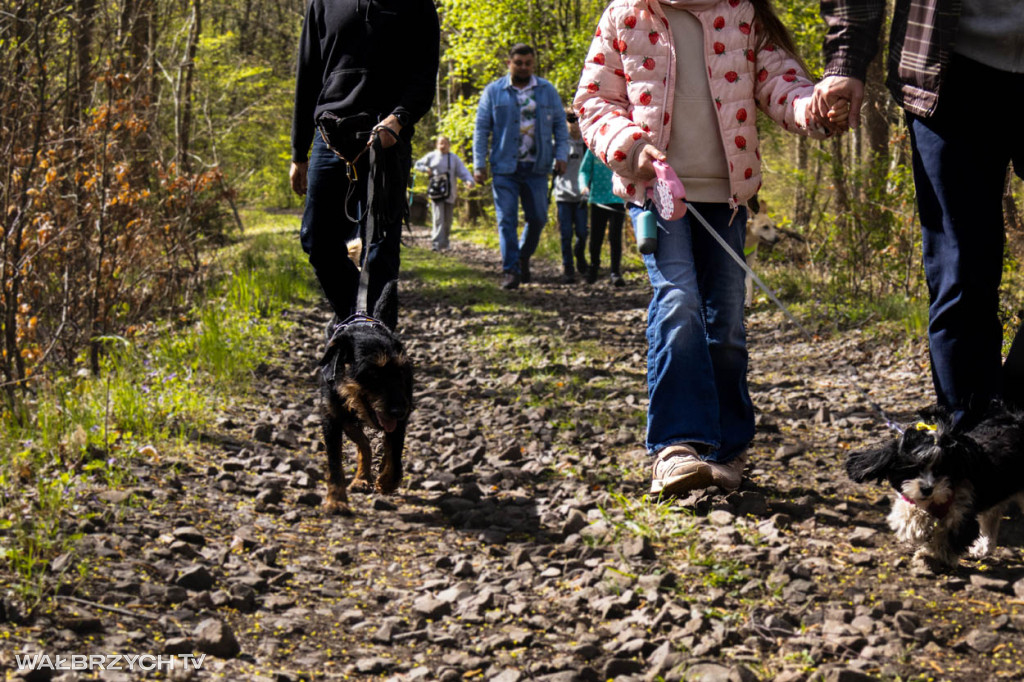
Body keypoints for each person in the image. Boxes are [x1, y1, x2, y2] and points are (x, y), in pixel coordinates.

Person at [575, 0, 832, 495]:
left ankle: (725, 450)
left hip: (728, 196)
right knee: (678, 301)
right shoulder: (627, 13)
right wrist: (629, 145)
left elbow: (781, 83)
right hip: (657, 192)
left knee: (728, 320)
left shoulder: (741, 11)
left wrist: (813, 107)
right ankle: (675, 447)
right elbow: (594, 102)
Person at [812, 1, 1024, 431]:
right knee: (960, 274)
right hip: (948, 72)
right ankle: (974, 454)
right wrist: (846, 59)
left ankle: (1010, 425)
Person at [289, 0, 440, 329]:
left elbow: (424, 76)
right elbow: (308, 74)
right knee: (316, 240)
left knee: (381, 251)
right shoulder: (323, 4)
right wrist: (298, 152)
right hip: (330, 138)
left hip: (387, 140)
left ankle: (377, 346)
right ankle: (356, 324)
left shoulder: (417, 5)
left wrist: (398, 120)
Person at [473, 44, 569, 290]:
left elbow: (560, 124)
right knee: (507, 219)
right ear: (510, 63)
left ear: (533, 64)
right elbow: (482, 130)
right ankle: (511, 270)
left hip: (538, 167)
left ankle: (523, 255)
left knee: (537, 218)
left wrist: (562, 155)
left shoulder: (547, 91)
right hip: (504, 167)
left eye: (528, 63)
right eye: (519, 63)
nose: (524, 67)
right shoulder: (494, 91)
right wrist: (478, 164)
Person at [414, 136, 475, 252]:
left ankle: (445, 243)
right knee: (438, 218)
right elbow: (418, 164)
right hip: (436, 193)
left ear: (449, 145)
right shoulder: (431, 156)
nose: (443, 146)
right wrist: (426, 169)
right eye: (440, 143)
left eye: (445, 143)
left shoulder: (454, 158)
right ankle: (436, 244)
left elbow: (462, 171)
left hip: (450, 193)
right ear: (437, 145)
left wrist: (469, 180)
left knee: (448, 220)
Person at [579, 147, 627, 287]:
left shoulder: (622, 146)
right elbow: (584, 170)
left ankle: (615, 272)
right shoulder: (593, 149)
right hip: (597, 200)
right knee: (596, 236)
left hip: (617, 199)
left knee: (615, 236)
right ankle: (593, 268)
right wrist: (584, 186)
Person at [552, 110, 588, 284]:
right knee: (565, 234)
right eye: (570, 119)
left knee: (582, 233)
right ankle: (568, 268)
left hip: (582, 196)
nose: (574, 123)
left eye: (577, 119)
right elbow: (552, 168)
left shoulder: (587, 144)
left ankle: (580, 257)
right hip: (563, 195)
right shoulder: (559, 144)